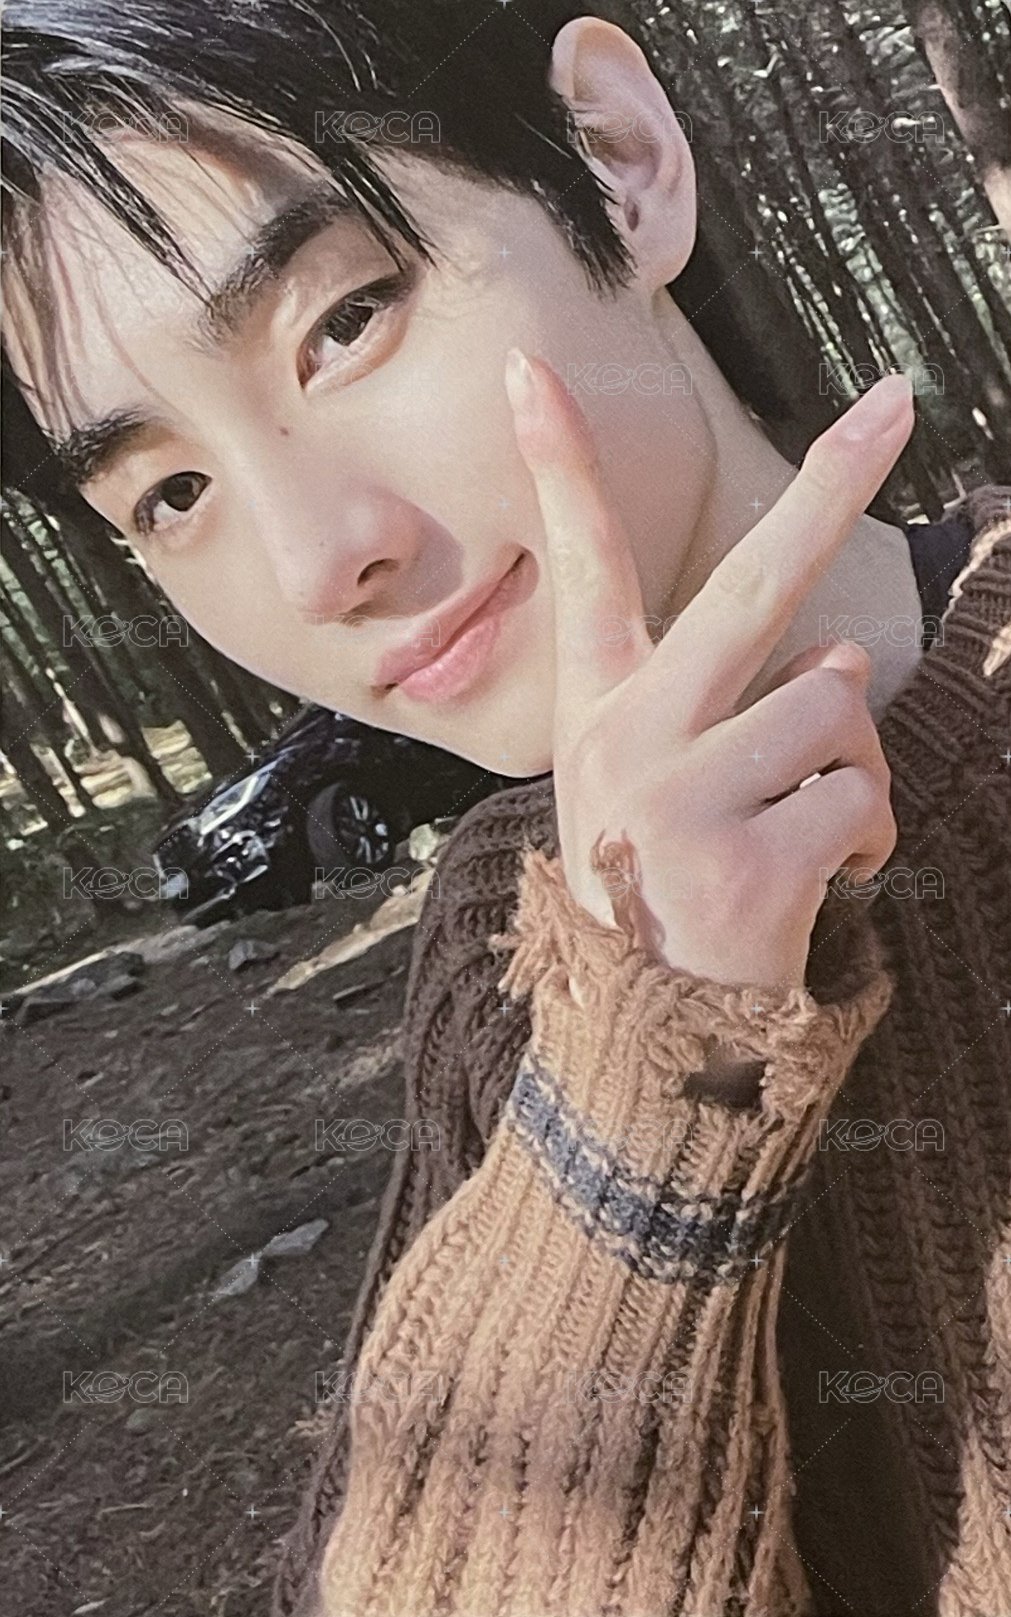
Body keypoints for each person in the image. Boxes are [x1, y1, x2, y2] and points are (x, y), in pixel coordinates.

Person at [2, 3, 1009, 1613]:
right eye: (170, 494)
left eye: (345, 321)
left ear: (616, 163)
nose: (315, 559)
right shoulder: (502, 953)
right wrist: (652, 1061)